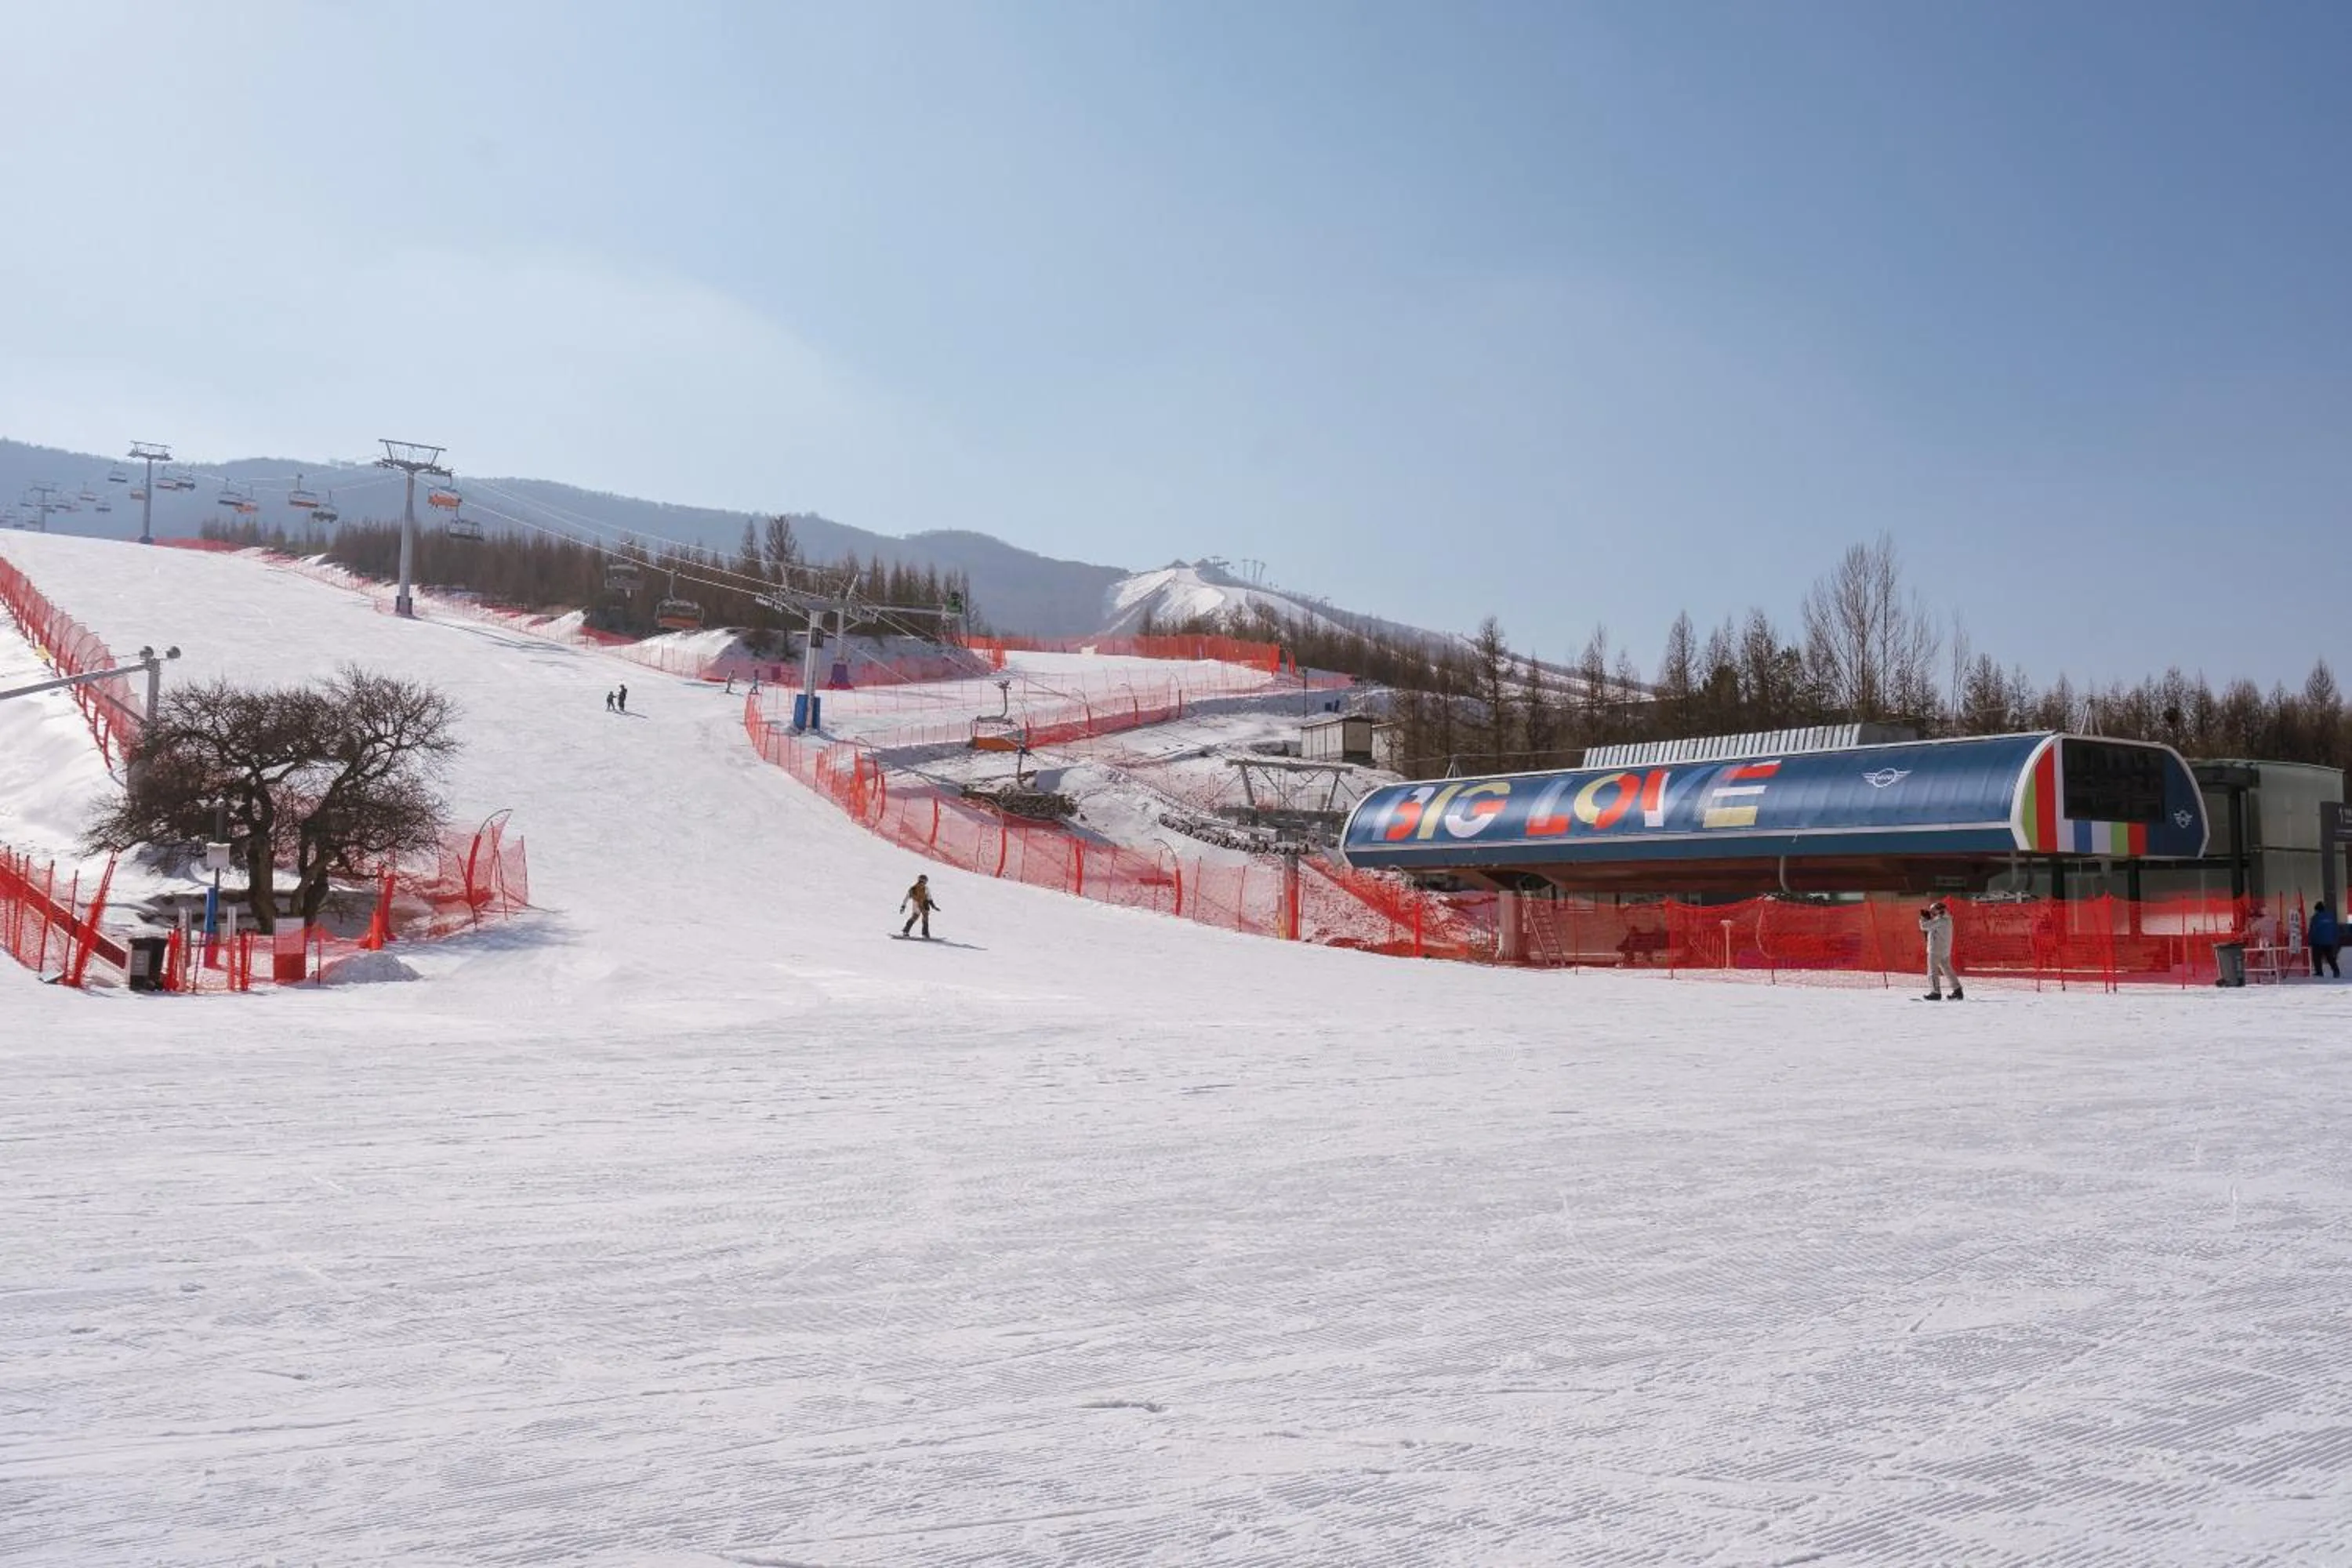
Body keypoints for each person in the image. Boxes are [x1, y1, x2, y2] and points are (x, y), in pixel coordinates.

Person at [1918, 898, 1964, 1000]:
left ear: (1938, 910)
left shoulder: (1940, 920)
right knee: (1947, 970)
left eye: (1933, 911)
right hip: (1944, 949)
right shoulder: (1946, 919)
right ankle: (1957, 990)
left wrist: (1923, 918)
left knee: (1932, 971)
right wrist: (1929, 918)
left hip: (1935, 949)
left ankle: (1935, 992)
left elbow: (1924, 926)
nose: (1932, 913)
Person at [899, 873, 941, 939]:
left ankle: (925, 934)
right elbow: (907, 898)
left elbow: (929, 898)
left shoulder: (926, 889)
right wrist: (903, 906)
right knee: (915, 917)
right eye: (923, 882)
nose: (923, 883)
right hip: (917, 903)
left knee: (925, 917)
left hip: (924, 903)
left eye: (924, 882)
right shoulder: (913, 889)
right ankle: (906, 931)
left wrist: (933, 906)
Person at [2311, 900, 2341, 978]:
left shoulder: (2315, 918)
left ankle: (2319, 972)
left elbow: (2312, 930)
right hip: (2329, 941)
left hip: (2318, 941)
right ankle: (2336, 971)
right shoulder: (2331, 916)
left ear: (2317, 909)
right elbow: (2335, 928)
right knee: (2330, 957)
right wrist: (2335, 939)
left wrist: (2311, 941)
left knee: (2317, 957)